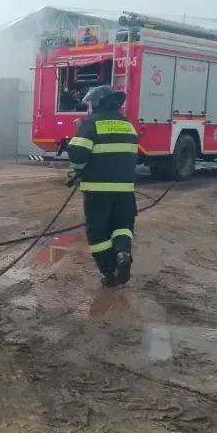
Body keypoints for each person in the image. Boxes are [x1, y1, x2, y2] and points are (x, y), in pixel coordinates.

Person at [65, 85, 138, 287]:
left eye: (89, 104)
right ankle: (123, 253)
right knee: (122, 227)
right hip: (125, 192)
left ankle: (109, 273)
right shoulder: (128, 125)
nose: (88, 108)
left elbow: (77, 155)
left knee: (98, 234)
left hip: (98, 192)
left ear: (97, 103)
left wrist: (78, 132)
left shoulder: (91, 124)